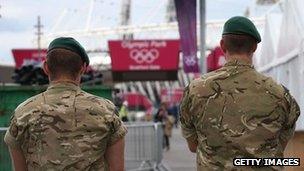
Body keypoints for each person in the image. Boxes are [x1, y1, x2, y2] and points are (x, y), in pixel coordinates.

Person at [180, 16, 300, 170]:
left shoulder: (195, 90)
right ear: (255, 47)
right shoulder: (280, 94)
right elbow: (281, 144)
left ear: (223, 45)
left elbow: (192, 145)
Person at [4, 37, 127, 171]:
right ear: (83, 68)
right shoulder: (106, 111)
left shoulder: (23, 112)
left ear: (46, 67)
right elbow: (117, 168)